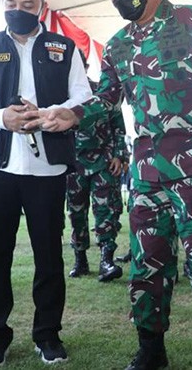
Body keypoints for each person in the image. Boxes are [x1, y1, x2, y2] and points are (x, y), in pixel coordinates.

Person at [32, 0, 192, 370]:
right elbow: (109, 97)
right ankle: (151, 348)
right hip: (147, 171)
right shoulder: (117, 45)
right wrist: (72, 113)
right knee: (148, 260)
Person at [0, 0, 91, 367]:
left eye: (27, 6)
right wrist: (2, 118)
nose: (18, 12)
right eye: (11, 5)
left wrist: (61, 113)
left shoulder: (62, 47)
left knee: (49, 255)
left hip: (47, 168)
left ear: (42, 7)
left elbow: (82, 93)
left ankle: (47, 334)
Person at [66, 74, 127, 282]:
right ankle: (80, 259)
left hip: (103, 160)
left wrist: (120, 155)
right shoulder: (60, 91)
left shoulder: (102, 92)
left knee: (106, 209)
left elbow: (118, 123)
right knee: (76, 212)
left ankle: (106, 260)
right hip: (72, 163)